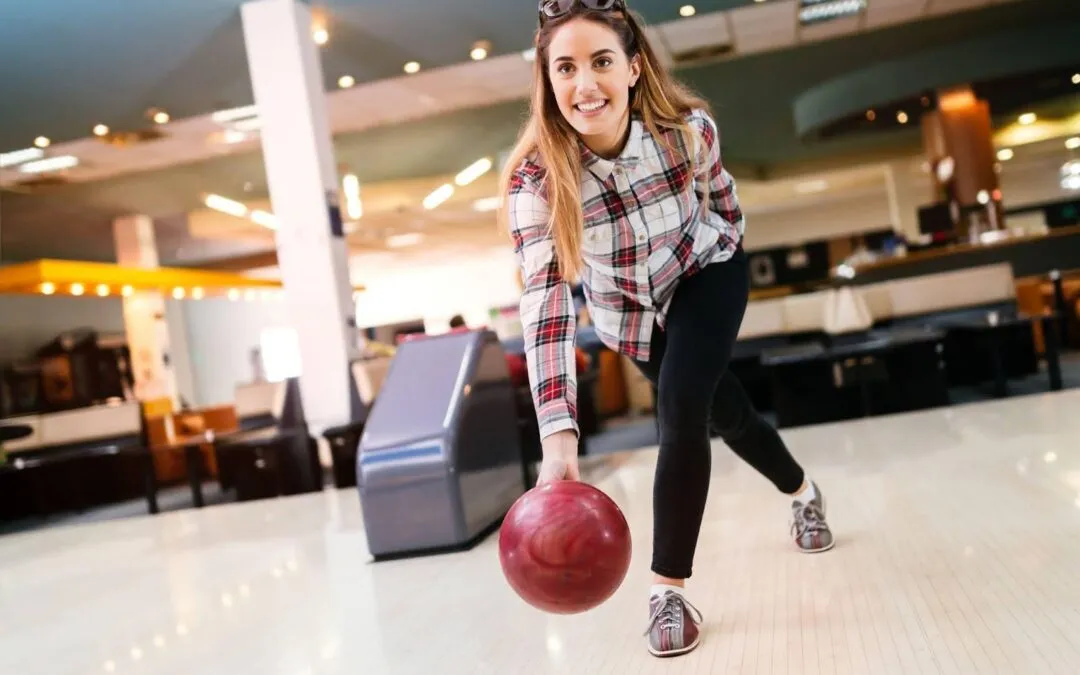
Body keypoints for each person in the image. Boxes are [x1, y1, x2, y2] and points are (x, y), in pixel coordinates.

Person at [498, 0, 834, 659]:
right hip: (630, 312)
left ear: (632, 67)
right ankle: (804, 490)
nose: (584, 84)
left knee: (680, 406)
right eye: (564, 67)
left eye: (600, 61)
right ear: (547, 79)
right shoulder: (536, 181)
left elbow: (722, 195)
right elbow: (545, 308)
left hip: (704, 270)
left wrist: (727, 248)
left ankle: (667, 590)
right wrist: (558, 441)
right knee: (725, 413)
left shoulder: (686, 132)